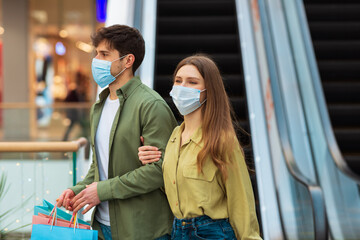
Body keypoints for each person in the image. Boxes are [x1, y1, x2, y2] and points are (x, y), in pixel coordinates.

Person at [57, 25, 178, 240]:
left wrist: (102, 191)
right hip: (103, 228)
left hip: (143, 230)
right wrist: (77, 190)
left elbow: (160, 171)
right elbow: (100, 166)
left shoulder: (151, 105)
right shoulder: (100, 106)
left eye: (104, 54)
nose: (96, 60)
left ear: (128, 61)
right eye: (96, 53)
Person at [138, 55, 262, 239]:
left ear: (208, 90)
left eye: (192, 82)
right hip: (178, 231)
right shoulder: (174, 137)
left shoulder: (222, 139)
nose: (182, 88)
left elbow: (241, 201)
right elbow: (176, 191)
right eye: (178, 81)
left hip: (211, 232)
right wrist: (151, 161)